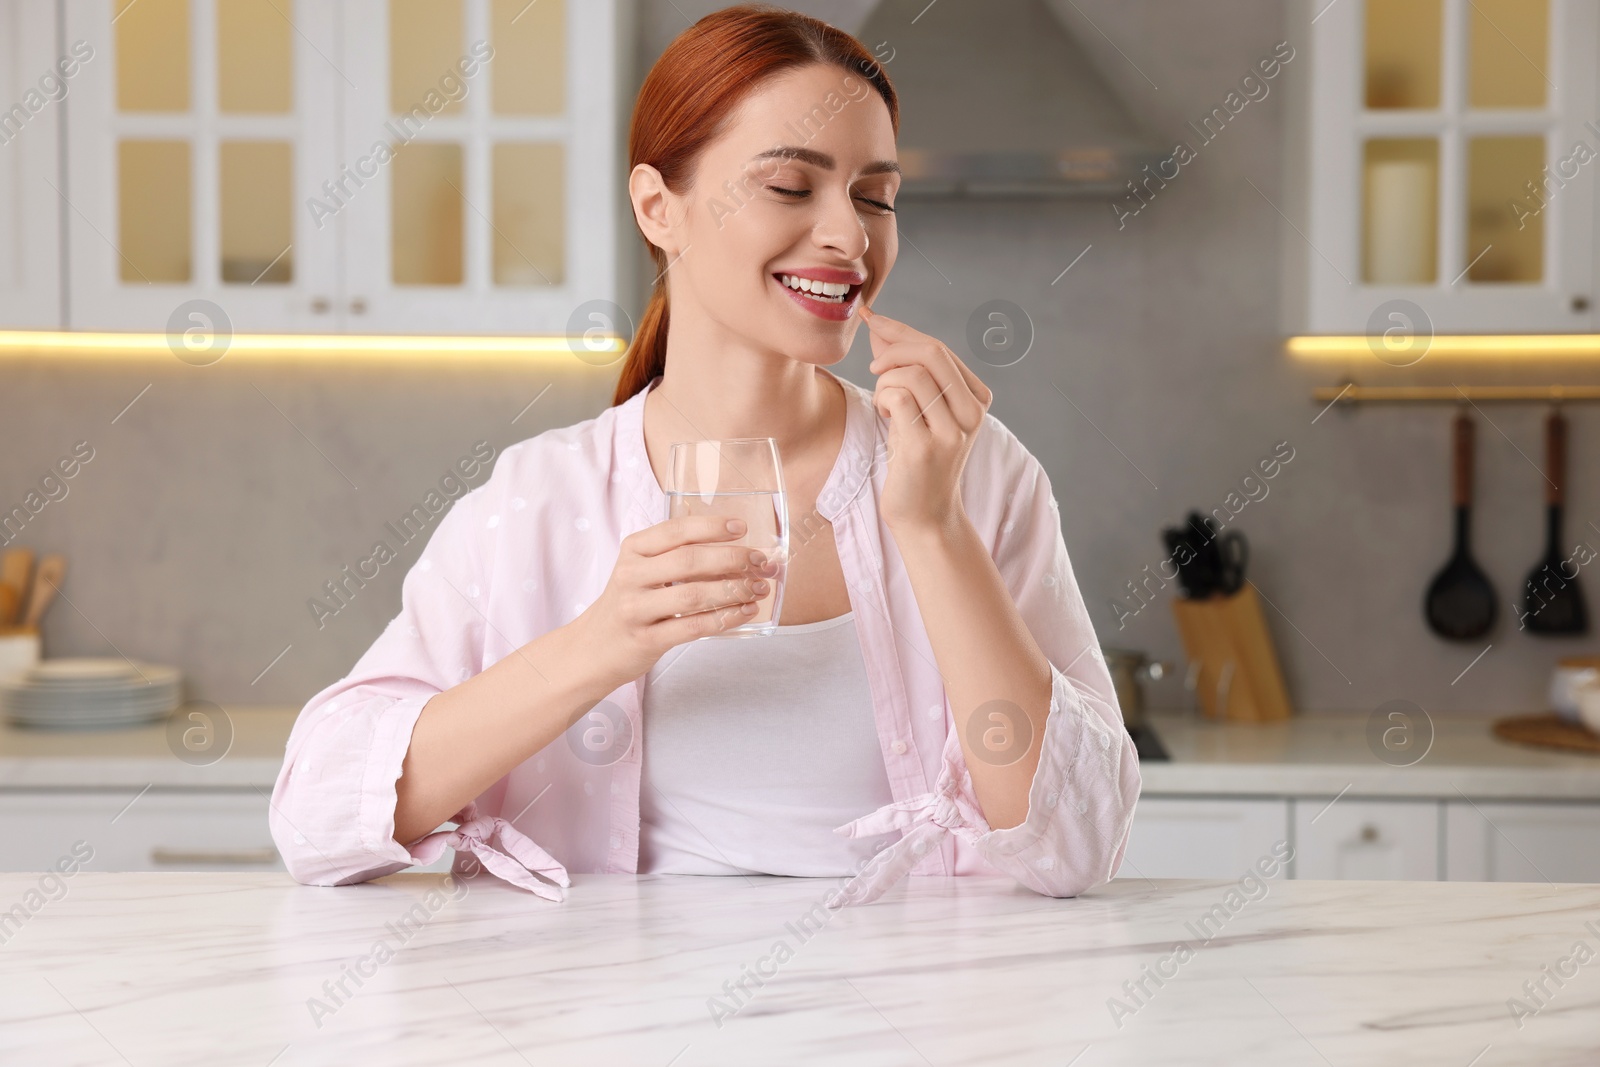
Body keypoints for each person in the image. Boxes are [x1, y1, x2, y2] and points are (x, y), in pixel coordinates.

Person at [269, 4, 1140, 908]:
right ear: (659, 208)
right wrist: (602, 642)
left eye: (875, 195)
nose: (850, 235)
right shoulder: (537, 497)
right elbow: (317, 821)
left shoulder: (971, 469)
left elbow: (1075, 849)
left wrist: (931, 525)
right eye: (792, 187)